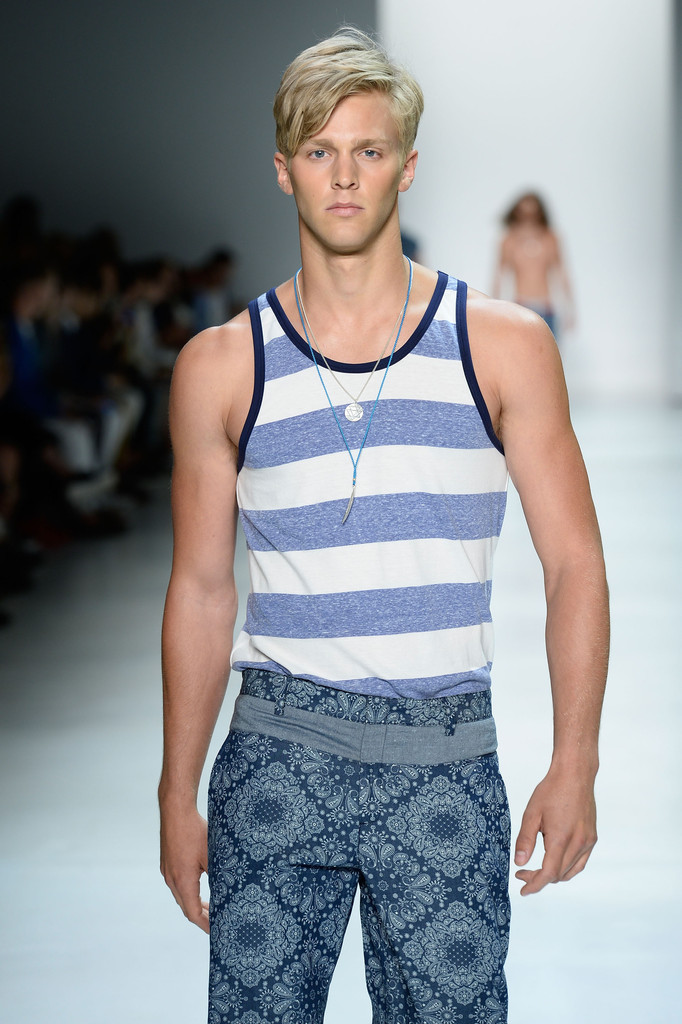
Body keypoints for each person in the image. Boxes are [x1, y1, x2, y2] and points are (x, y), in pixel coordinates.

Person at [159, 28, 609, 1024]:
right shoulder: (221, 366)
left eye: (368, 149)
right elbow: (200, 587)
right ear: (283, 170)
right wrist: (174, 792)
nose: (344, 175)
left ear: (406, 165)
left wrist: (575, 758)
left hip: (444, 757)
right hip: (276, 757)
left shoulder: (502, 347)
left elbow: (574, 561)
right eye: (319, 150)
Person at [492, 191, 575, 339]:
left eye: (533, 215)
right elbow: (499, 276)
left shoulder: (550, 238)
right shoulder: (509, 240)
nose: (528, 220)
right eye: (523, 215)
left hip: (546, 307)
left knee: (549, 351)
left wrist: (570, 308)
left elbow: (561, 273)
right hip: (520, 306)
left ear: (540, 214)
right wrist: (493, 309)